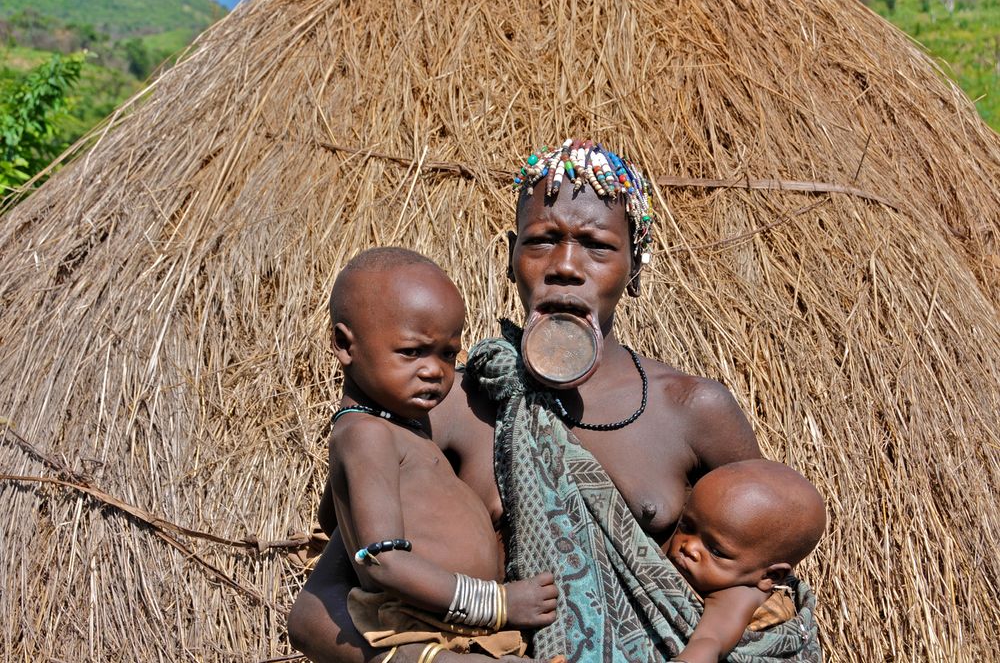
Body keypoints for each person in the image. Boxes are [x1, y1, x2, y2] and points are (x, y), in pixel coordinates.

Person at [288, 140, 820, 662]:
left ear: (636, 266)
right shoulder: (446, 404)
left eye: (597, 245)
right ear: (512, 256)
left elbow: (762, 577)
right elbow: (320, 610)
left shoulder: (691, 410)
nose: (566, 264)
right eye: (543, 240)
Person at [323, 247, 560, 662]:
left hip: (448, 625)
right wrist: (500, 603)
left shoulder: (393, 428)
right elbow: (381, 561)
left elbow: (333, 518)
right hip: (419, 629)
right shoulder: (366, 434)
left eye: (448, 354)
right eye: (412, 351)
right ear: (346, 345)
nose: (435, 370)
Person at [665, 460, 826, 663]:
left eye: (715, 550)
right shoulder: (731, 570)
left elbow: (709, 642)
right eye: (687, 527)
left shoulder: (738, 595)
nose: (689, 547)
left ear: (770, 576)